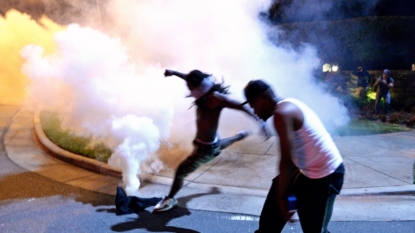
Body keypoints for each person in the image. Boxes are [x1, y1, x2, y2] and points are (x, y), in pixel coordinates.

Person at [241, 80, 345, 233]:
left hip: (325, 176)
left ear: (261, 100)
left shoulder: (282, 113)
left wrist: (283, 198)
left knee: (314, 230)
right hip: (303, 172)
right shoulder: (288, 103)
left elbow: (285, 160)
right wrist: (285, 198)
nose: (255, 113)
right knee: (269, 223)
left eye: (253, 107)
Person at [153, 69, 262, 212]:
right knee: (217, 145)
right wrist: (173, 73)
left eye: (191, 88)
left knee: (181, 172)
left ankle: (169, 199)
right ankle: (240, 136)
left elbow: (239, 106)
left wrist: (259, 121)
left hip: (205, 150)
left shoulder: (215, 99)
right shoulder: (200, 87)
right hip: (209, 142)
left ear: (200, 87)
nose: (190, 91)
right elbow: (187, 77)